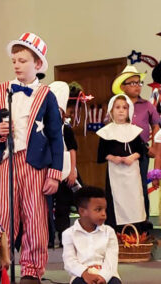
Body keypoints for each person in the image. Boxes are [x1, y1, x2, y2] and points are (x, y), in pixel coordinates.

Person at [0, 32, 63, 283]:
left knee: (35, 216)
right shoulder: (2, 90)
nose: (17, 65)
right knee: (3, 214)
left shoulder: (46, 95)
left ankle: (31, 269)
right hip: (8, 161)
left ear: (37, 64)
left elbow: (55, 136)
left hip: (35, 163)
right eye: (14, 61)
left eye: (23, 60)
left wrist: (54, 173)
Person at [111, 65, 159, 228]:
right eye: (132, 83)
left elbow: (156, 125)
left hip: (142, 150)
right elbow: (108, 124)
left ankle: (142, 220)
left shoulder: (147, 105)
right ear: (123, 86)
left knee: (140, 185)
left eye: (139, 83)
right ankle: (122, 222)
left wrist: (154, 147)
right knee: (121, 186)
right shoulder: (117, 104)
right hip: (119, 151)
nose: (137, 86)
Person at [96, 94, 146, 231]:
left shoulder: (134, 131)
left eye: (124, 107)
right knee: (116, 203)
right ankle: (117, 234)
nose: (121, 110)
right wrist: (113, 158)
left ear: (129, 111)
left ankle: (135, 233)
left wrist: (132, 157)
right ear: (111, 111)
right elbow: (102, 154)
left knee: (134, 201)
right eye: (117, 107)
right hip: (115, 173)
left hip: (132, 174)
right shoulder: (106, 132)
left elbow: (141, 151)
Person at [62, 186, 121, 284]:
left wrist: (103, 276)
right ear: (82, 211)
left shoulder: (109, 232)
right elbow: (69, 261)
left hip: (107, 274)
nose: (104, 214)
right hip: (81, 274)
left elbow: (112, 259)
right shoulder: (69, 234)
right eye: (98, 210)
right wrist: (85, 273)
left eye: (105, 210)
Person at [49, 81, 82, 248]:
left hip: (65, 169)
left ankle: (63, 238)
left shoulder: (65, 128)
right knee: (48, 207)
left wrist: (72, 171)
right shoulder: (46, 126)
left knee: (63, 206)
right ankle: (48, 239)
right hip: (48, 170)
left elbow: (72, 149)